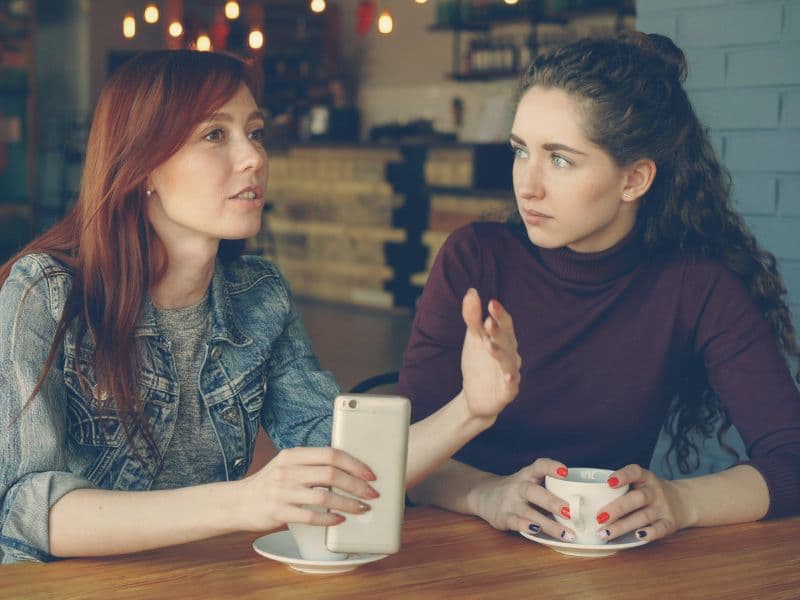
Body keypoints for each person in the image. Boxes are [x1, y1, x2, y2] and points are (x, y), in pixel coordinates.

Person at [0, 51, 521, 564]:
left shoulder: (260, 296)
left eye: (254, 132)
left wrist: (472, 410)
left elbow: (347, 467)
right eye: (214, 135)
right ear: (143, 168)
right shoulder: (44, 293)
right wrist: (244, 501)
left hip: (202, 580)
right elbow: (24, 507)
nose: (252, 157)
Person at [400, 32, 800, 544]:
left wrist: (682, 501)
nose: (528, 184)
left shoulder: (696, 287)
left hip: (598, 562)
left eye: (560, 159)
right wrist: (487, 494)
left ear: (634, 180)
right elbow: (398, 459)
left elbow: (791, 459)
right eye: (521, 151)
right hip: (449, 547)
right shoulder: (475, 259)